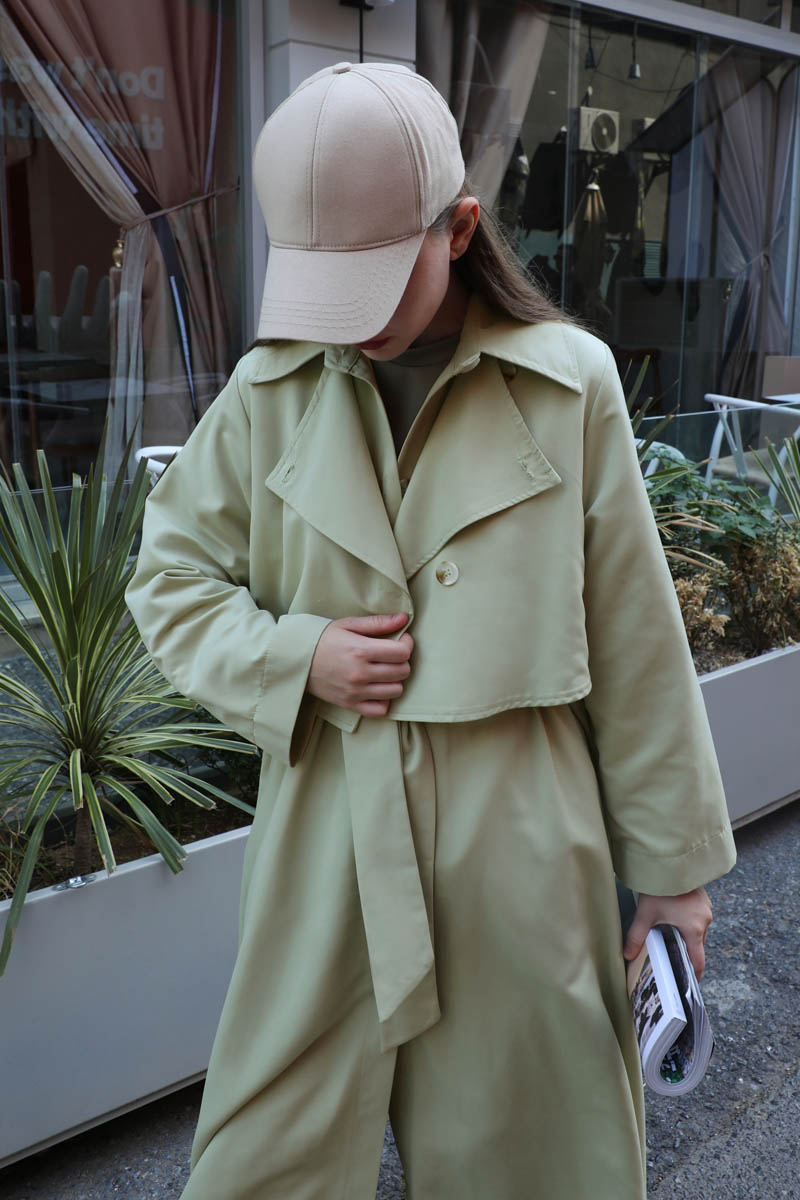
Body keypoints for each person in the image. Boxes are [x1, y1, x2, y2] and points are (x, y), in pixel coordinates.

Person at [126, 62, 736, 1200]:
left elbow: (637, 642)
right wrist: (296, 657)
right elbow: (169, 577)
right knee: (265, 1160)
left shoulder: (570, 385)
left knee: (536, 1159)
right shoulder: (268, 390)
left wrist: (673, 878)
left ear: (458, 230)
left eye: (370, 278)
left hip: (523, 850)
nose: (345, 323)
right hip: (327, 843)